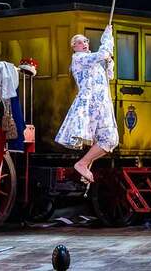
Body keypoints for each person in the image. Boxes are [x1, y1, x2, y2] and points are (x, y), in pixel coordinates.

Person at [55, 25, 119, 184]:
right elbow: (103, 53)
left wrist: (108, 59)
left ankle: (86, 165)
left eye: (86, 41)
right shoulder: (79, 58)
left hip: (101, 103)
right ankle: (83, 163)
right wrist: (107, 37)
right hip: (92, 104)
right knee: (109, 139)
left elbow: (108, 72)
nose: (84, 43)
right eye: (80, 42)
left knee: (106, 139)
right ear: (73, 47)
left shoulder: (92, 60)